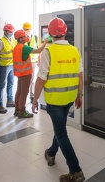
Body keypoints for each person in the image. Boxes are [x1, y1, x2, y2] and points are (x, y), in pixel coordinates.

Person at [32, 17, 84, 182]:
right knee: (60, 128)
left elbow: (41, 79)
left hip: (55, 100)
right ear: (65, 32)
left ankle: (75, 171)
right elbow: (80, 75)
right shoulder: (75, 50)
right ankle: (51, 153)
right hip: (69, 97)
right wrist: (79, 95)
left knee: (61, 134)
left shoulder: (48, 51)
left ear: (50, 33)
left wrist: (34, 100)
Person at [13, 29, 49, 118]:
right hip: (25, 74)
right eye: (25, 36)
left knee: (19, 92)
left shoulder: (16, 47)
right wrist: (45, 42)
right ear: (21, 38)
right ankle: (22, 111)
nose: (26, 37)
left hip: (19, 74)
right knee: (24, 93)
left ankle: (17, 110)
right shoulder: (24, 47)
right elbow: (38, 51)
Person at [0, 23, 16, 114]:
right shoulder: (0, 41)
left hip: (11, 65)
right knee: (2, 85)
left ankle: (10, 101)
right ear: (6, 31)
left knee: (11, 83)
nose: (11, 33)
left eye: (12, 31)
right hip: (4, 66)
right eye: (10, 31)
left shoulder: (12, 40)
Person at [22, 22, 39, 104]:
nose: (26, 31)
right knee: (24, 80)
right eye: (25, 29)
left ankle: (32, 96)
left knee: (32, 80)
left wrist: (39, 60)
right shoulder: (21, 39)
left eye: (28, 29)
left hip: (33, 62)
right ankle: (24, 96)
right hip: (24, 62)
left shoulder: (35, 38)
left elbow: (39, 49)